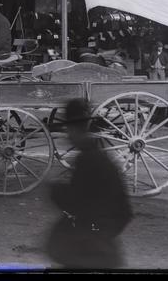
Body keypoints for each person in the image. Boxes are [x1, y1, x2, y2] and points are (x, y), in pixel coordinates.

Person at [45, 98, 132, 269]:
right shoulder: (100, 157)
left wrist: (54, 189)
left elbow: (75, 202)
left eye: (69, 131)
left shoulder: (87, 160)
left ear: (73, 130)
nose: (68, 137)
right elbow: (125, 212)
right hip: (101, 247)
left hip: (89, 251)